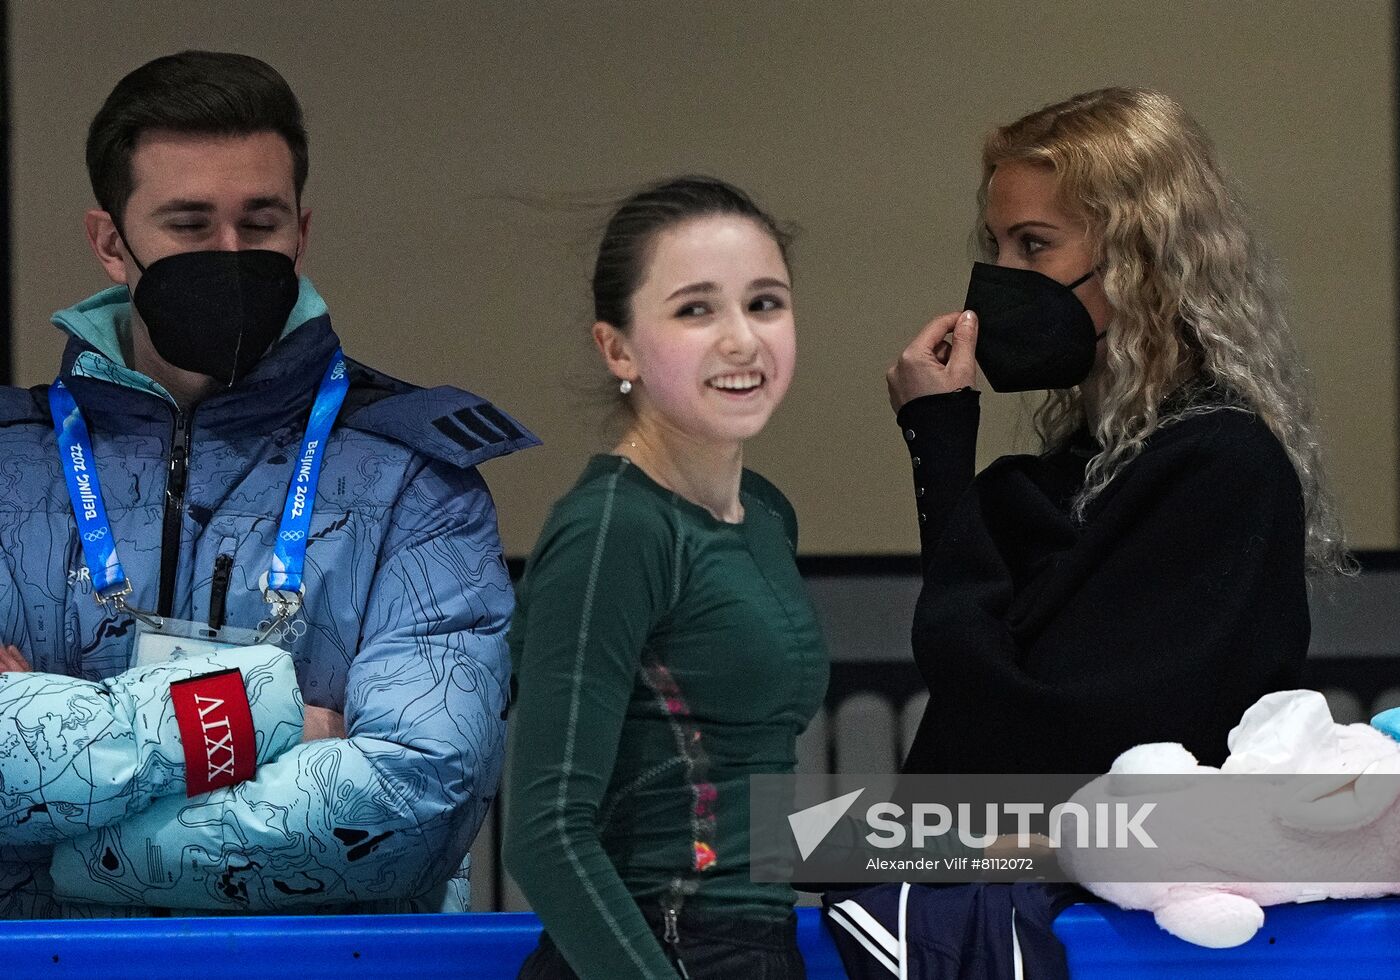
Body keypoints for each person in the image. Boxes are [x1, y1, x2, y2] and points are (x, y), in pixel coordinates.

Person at [0, 50, 534, 917]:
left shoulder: (413, 481)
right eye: (188, 223)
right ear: (110, 243)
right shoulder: (8, 469)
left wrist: (52, 834)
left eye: (261, 222)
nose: (231, 253)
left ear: (303, 232)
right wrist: (278, 718)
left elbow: (411, 809)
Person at [888, 86, 1345, 779]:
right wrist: (940, 436)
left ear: (1142, 260)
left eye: (1033, 246)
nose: (999, 279)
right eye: (995, 245)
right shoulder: (1078, 467)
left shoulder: (1221, 465)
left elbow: (1027, 727)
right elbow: (975, 682)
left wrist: (941, 443)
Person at [503, 176, 828, 979]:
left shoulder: (765, 512)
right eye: (695, 309)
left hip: (756, 948)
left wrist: (1026, 842)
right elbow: (544, 834)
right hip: (658, 951)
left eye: (764, 303)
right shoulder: (615, 528)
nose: (742, 340)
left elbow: (748, 806)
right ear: (617, 348)